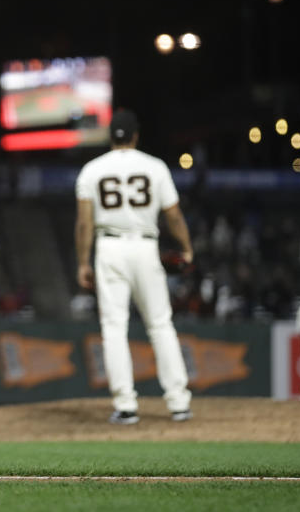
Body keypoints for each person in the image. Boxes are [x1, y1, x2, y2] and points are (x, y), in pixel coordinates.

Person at [74, 109, 194, 424]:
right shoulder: (154, 167)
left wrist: (82, 262)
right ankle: (179, 402)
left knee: (114, 328)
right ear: (136, 135)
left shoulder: (91, 170)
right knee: (160, 324)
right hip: (145, 246)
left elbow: (84, 224)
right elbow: (174, 216)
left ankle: (126, 405)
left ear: (110, 136)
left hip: (109, 247)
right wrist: (186, 248)